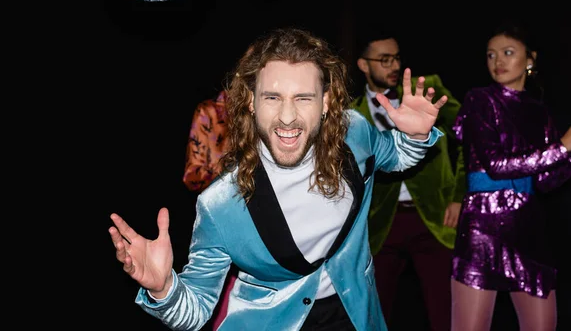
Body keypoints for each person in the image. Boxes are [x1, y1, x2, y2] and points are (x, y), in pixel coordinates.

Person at [108, 27, 448, 331]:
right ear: (252, 103)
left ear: (327, 102)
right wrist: (163, 288)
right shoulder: (220, 205)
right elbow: (195, 311)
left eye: (303, 98)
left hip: (356, 312)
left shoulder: (354, 132)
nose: (287, 117)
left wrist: (416, 137)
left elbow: (396, 157)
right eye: (272, 98)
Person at [450, 21, 571, 331]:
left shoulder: (539, 111)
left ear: (529, 59)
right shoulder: (479, 100)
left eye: (507, 53)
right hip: (483, 228)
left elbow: (545, 181)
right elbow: (496, 166)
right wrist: (563, 147)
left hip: (529, 231)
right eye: (491, 55)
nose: (498, 62)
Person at [351, 31, 465, 330]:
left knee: (446, 314)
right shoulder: (350, 115)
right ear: (363, 65)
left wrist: (459, 195)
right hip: (380, 226)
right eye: (384, 59)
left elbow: (472, 137)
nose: (394, 65)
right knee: (376, 316)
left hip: (433, 218)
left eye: (397, 57)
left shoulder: (426, 90)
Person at [183, 89, 236, 330]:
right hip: (221, 218)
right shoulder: (210, 112)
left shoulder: (267, 108)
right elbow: (191, 175)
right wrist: (227, 171)